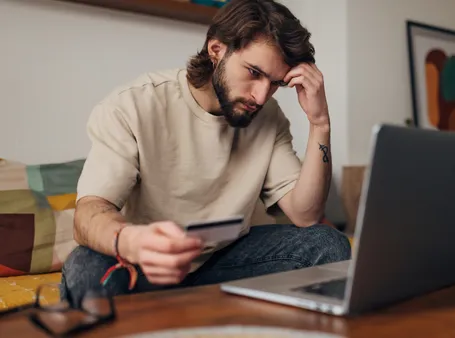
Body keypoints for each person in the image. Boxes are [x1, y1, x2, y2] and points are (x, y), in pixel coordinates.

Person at [60, 0, 351, 305]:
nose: (261, 95)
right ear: (217, 50)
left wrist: (320, 123)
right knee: (87, 269)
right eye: (254, 72)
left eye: (275, 83)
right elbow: (89, 213)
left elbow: (306, 215)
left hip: (223, 262)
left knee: (327, 244)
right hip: (146, 265)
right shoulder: (134, 105)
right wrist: (131, 242)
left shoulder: (268, 117)